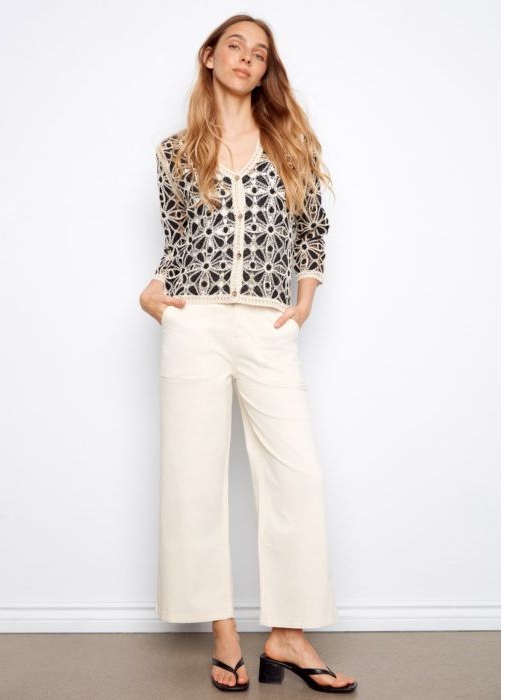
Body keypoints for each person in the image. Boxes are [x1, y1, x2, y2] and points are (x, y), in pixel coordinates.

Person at [139, 15, 357, 694]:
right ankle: (226, 636)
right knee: (194, 478)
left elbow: (312, 229)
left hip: (267, 324)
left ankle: (288, 634)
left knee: (298, 476)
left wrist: (305, 298)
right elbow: (177, 239)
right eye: (235, 46)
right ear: (209, 56)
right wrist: (154, 293)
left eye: (259, 54)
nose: (246, 59)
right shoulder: (174, 151)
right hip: (195, 322)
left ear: (266, 71)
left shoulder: (290, 143)